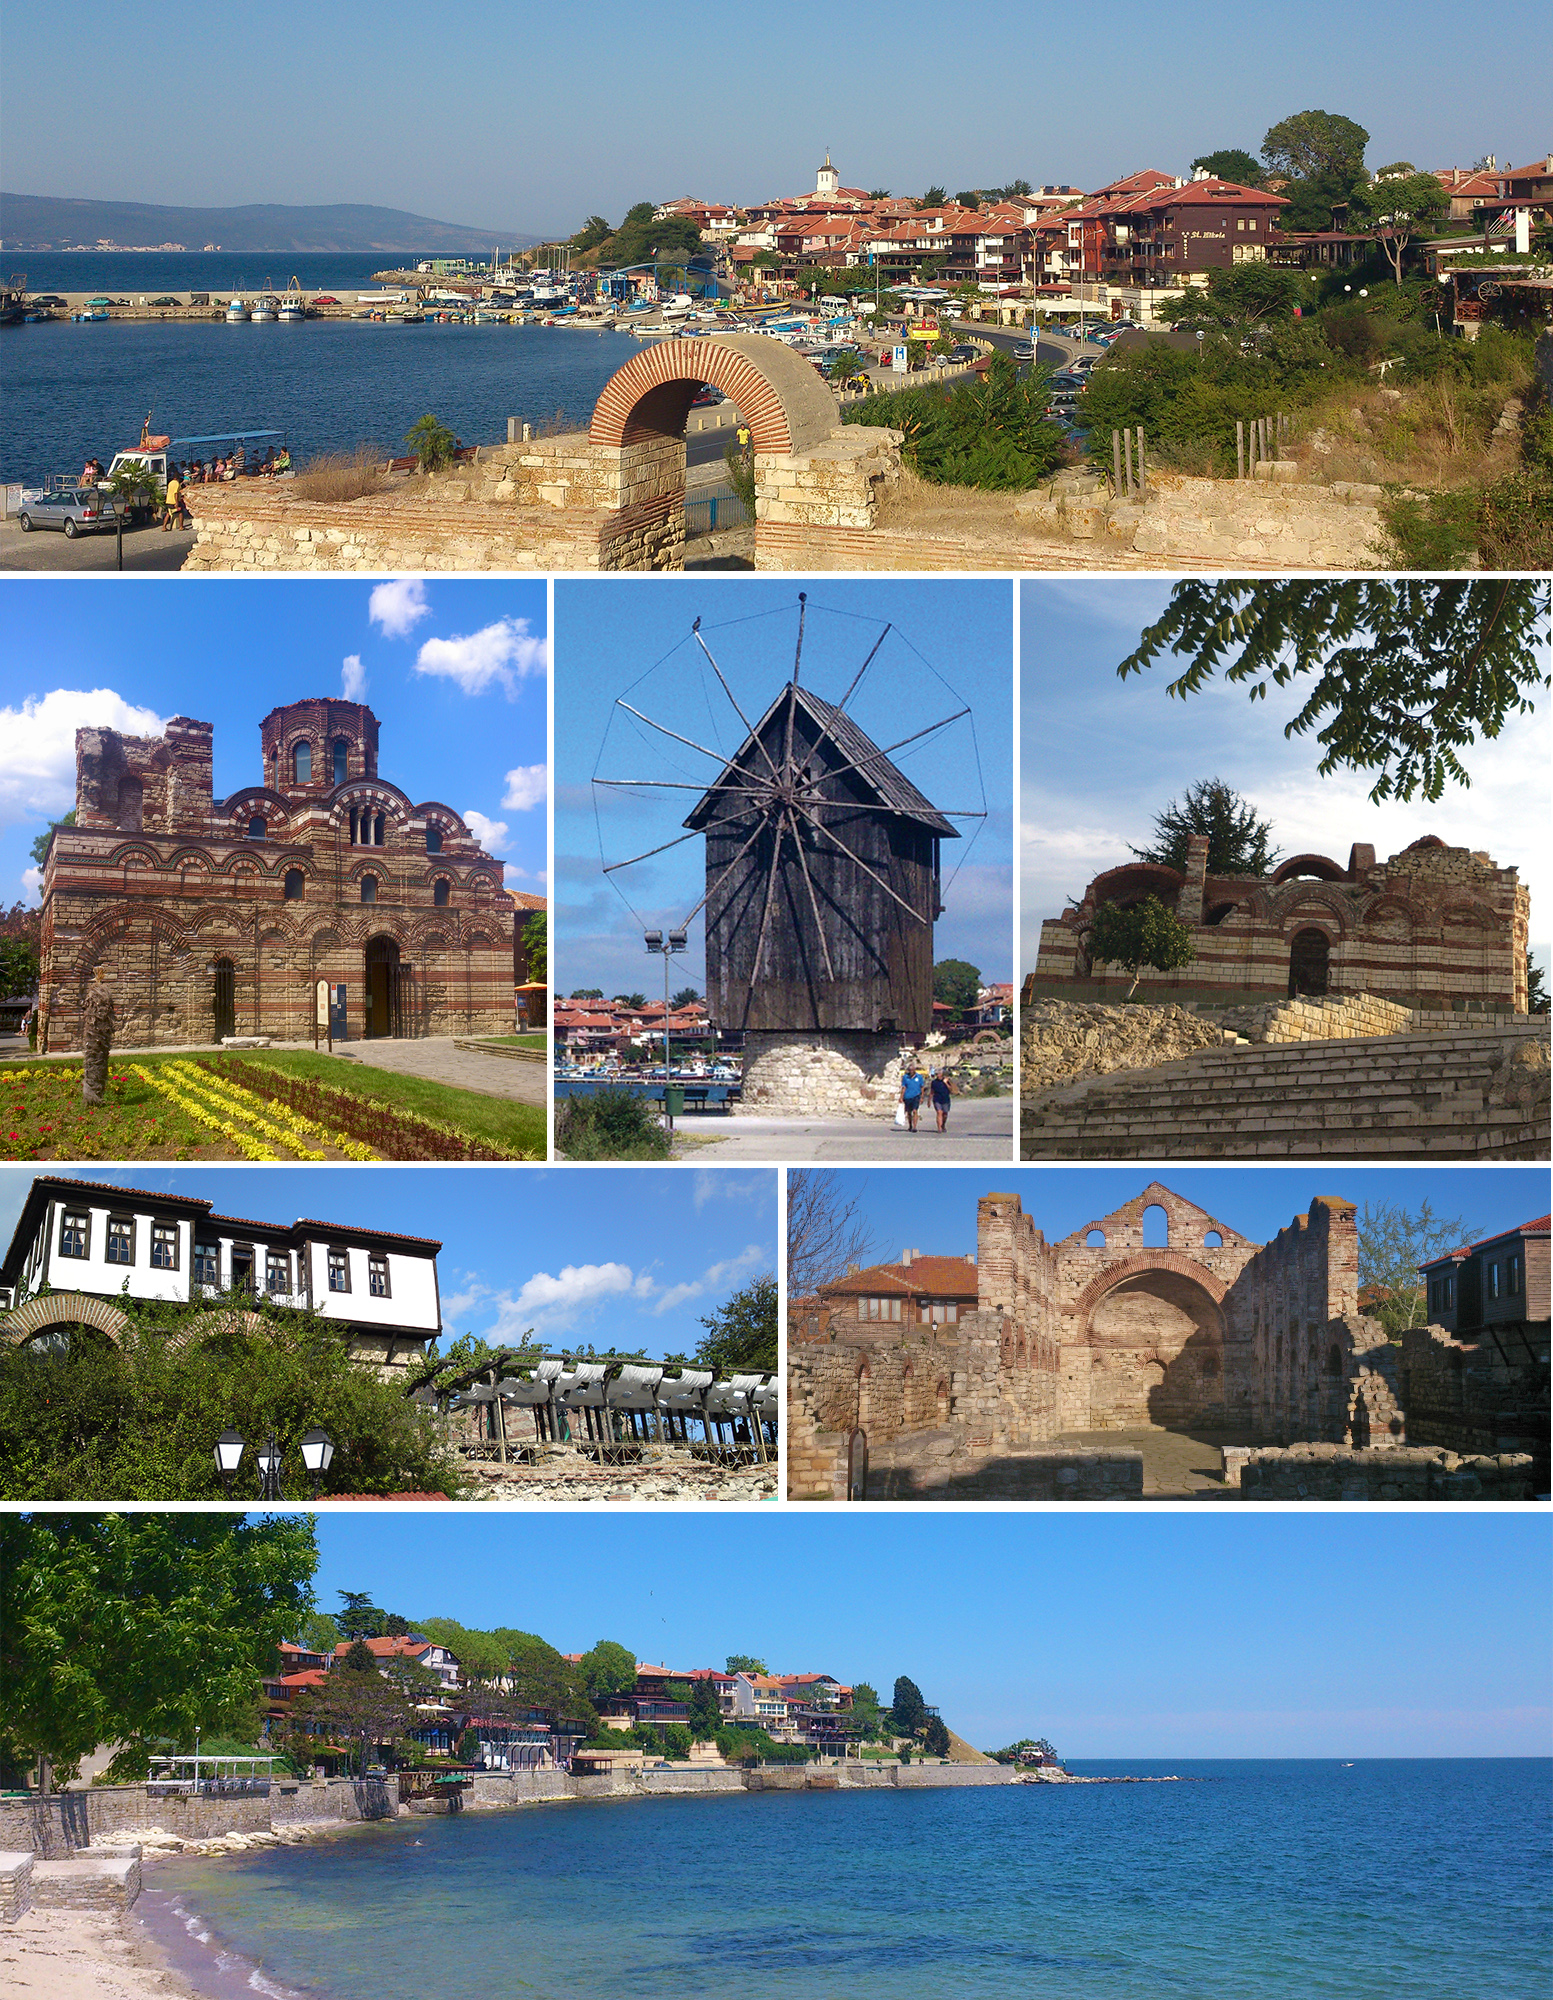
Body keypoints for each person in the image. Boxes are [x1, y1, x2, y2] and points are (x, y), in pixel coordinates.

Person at [899, 1062, 924, 1133]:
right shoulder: (905, 1077)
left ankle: (914, 1127)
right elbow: (903, 1087)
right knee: (909, 1112)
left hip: (916, 1096)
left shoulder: (919, 1077)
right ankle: (910, 1125)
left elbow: (922, 1087)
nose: (911, 1071)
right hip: (907, 1096)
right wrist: (901, 1097)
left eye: (912, 1070)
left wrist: (922, 1097)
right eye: (910, 1070)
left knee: (915, 1111)